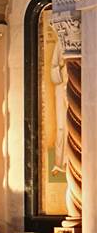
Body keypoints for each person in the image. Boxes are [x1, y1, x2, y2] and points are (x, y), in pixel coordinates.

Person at [50, 39, 67, 175]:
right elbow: (53, 68)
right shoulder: (60, 43)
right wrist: (63, 67)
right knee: (61, 126)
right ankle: (59, 162)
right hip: (62, 87)